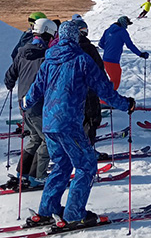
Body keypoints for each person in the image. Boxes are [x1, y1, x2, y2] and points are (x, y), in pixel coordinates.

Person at [23, 21, 135, 229]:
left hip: (49, 123)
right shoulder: (82, 60)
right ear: (75, 37)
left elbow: (36, 89)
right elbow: (104, 89)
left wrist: (25, 102)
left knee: (62, 166)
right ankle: (74, 213)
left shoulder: (50, 60)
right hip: (68, 123)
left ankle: (47, 210)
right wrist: (125, 104)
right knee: (86, 165)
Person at [3, 19, 58, 188]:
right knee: (49, 140)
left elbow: (9, 76)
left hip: (24, 104)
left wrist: (12, 84)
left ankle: (23, 172)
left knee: (35, 138)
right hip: (38, 104)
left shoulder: (22, 52)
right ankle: (38, 176)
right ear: (48, 34)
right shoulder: (45, 56)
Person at [73, 19, 105, 145]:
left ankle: (75, 147)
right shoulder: (89, 48)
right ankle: (86, 150)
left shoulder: (63, 49)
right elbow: (100, 69)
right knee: (91, 120)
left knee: (76, 120)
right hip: (88, 92)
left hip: (70, 92)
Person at [98, 16, 149, 91]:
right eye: (127, 24)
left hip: (105, 59)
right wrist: (140, 54)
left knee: (113, 79)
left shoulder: (108, 30)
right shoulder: (122, 32)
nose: (127, 26)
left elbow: (101, 44)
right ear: (124, 23)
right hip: (113, 60)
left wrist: (109, 49)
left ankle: (106, 99)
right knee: (115, 81)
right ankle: (105, 100)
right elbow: (130, 45)